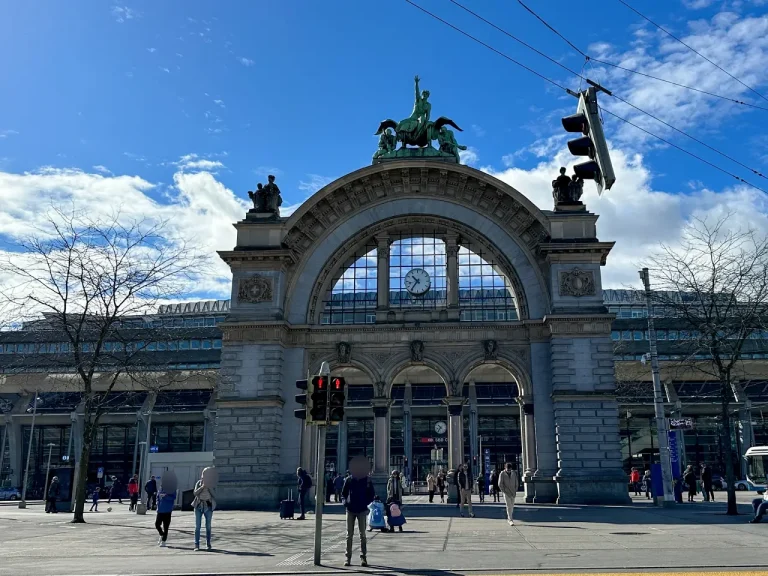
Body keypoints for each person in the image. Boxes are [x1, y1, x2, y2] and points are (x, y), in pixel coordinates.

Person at [342, 455, 375, 567]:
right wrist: (345, 503)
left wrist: (365, 503)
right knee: (349, 535)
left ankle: (363, 557)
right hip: (350, 510)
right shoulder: (349, 479)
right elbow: (343, 494)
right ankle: (348, 557)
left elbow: (371, 494)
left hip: (361, 510)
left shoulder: (367, 480)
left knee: (362, 535)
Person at [192, 470, 216, 551]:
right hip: (198, 506)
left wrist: (209, 488)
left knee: (208, 526)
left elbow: (214, 495)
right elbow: (195, 493)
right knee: (197, 526)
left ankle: (208, 544)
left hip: (208, 506)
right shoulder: (198, 483)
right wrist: (202, 487)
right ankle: (196, 545)